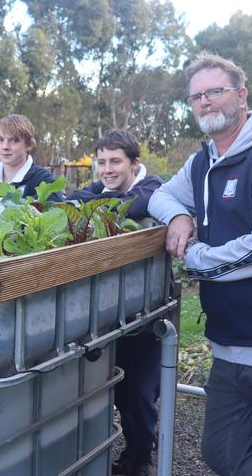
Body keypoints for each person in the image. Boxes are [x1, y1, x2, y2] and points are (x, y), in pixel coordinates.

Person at [148, 53, 252, 475]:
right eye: (196, 97)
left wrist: (196, 260)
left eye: (215, 91)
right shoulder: (202, 162)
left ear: (242, 95)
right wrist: (178, 215)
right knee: (219, 453)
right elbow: (159, 194)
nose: (205, 102)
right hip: (227, 345)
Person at [68, 129, 163, 476]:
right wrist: (91, 201)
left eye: (115, 161)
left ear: (134, 163)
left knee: (137, 393)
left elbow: (137, 204)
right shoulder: (98, 190)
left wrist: (92, 206)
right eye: (102, 162)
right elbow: (67, 202)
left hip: (145, 314)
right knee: (102, 389)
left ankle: (140, 458)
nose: (107, 169)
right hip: (104, 313)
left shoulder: (153, 186)